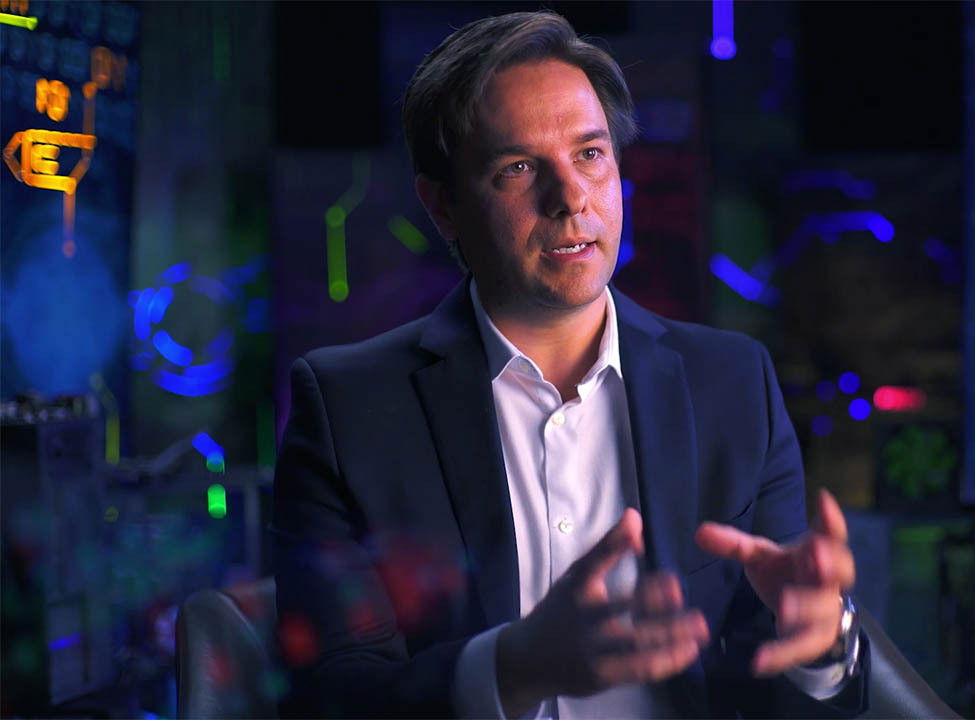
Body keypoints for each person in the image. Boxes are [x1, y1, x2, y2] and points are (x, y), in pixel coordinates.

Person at [274, 11, 866, 718]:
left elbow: (775, 683)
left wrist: (822, 644)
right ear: (443, 206)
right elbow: (332, 697)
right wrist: (512, 669)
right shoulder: (348, 409)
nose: (571, 197)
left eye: (589, 154)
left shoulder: (733, 385)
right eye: (519, 168)